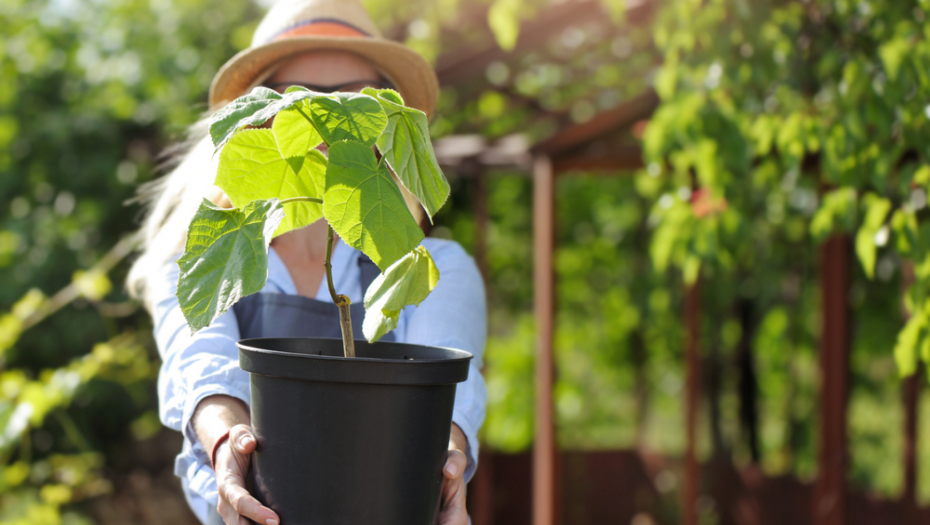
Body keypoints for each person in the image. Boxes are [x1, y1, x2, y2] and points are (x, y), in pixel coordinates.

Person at [126, 1, 487, 524]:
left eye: (354, 95)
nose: (328, 112)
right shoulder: (209, 257)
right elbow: (203, 362)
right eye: (299, 97)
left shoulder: (430, 267)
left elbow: (448, 389)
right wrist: (228, 440)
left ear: (387, 118)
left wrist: (444, 463)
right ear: (257, 117)